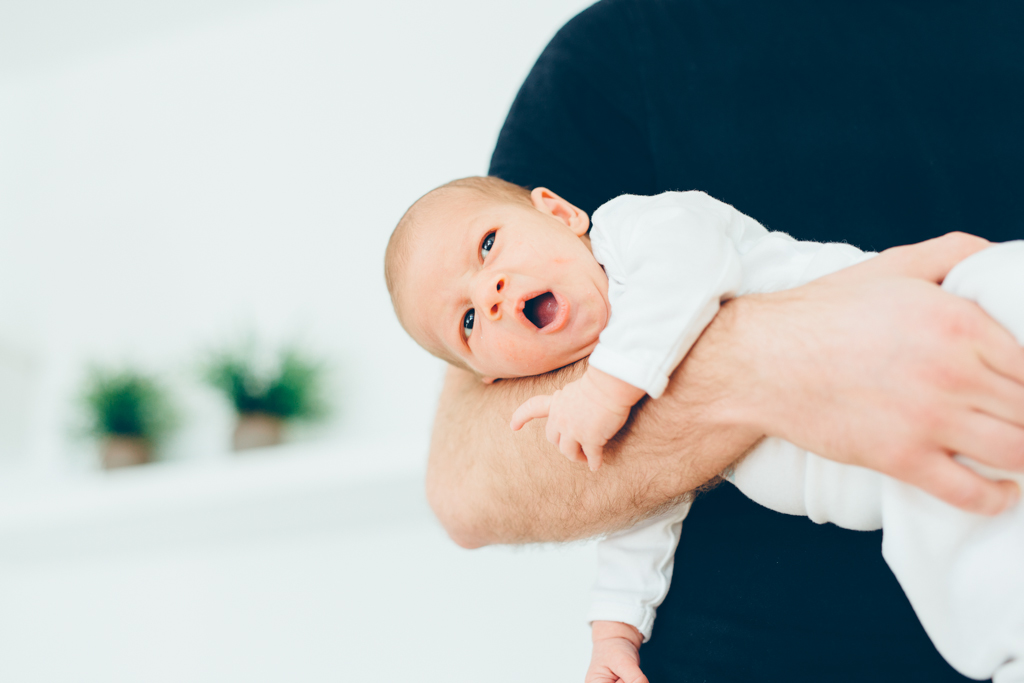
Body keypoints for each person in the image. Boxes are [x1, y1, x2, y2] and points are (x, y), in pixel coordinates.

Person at [424, 1, 1024, 680]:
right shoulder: (615, 55)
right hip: (894, 504)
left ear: (560, 212)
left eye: (489, 248)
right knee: (982, 601)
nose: (492, 294)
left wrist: (610, 389)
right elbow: (615, 504)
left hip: (966, 308)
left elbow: (689, 263)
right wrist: (615, 630)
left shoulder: (632, 232)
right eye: (468, 321)